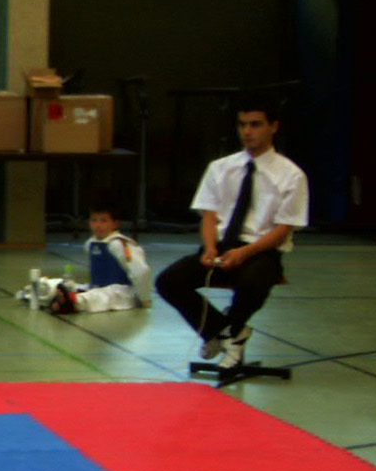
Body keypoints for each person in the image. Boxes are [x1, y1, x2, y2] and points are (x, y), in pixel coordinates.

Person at [153, 97, 307, 369]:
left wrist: (245, 252)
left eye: (255, 125)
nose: (247, 131)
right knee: (168, 281)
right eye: (242, 125)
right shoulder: (220, 167)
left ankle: (232, 330)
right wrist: (210, 247)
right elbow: (209, 215)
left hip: (261, 250)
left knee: (253, 283)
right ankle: (223, 332)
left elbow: (283, 229)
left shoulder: (291, 175)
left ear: (273, 127)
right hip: (222, 245)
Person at [22, 202, 152, 314]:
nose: (98, 225)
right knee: (64, 284)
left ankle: (70, 302)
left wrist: (143, 298)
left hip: (122, 293)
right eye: (94, 220)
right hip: (97, 287)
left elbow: (141, 272)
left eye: (103, 221)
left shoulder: (119, 244)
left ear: (115, 224)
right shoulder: (90, 244)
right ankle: (43, 293)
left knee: (99, 296)